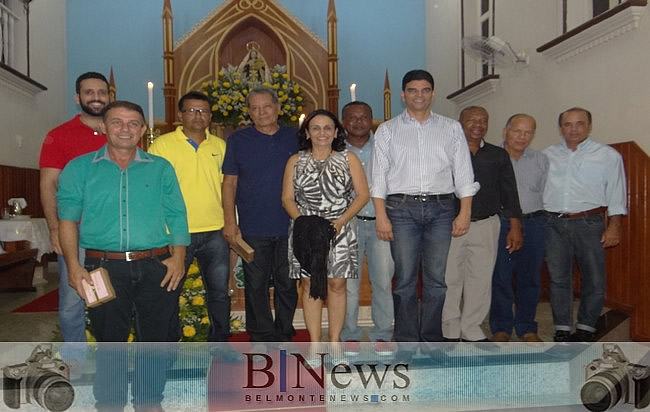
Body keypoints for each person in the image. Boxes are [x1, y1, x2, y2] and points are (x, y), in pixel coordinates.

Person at [57, 100, 189, 410]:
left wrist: (179, 256)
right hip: (101, 269)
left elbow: (177, 214)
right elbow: (67, 221)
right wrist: (74, 266)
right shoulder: (79, 169)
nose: (125, 129)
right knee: (109, 342)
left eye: (133, 123)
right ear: (103, 127)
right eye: (117, 122)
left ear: (143, 130)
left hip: (157, 265)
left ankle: (148, 401)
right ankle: (110, 402)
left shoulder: (161, 168)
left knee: (154, 341)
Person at [371, 70, 478, 357]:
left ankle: (432, 341)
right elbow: (378, 176)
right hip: (401, 209)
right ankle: (406, 341)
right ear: (403, 94)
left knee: (436, 280)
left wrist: (464, 211)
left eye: (425, 89)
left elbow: (464, 173)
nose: (419, 95)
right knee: (404, 279)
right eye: (413, 90)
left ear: (433, 93)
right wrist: (381, 215)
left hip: (442, 209)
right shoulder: (388, 130)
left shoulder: (451, 128)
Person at [282, 109, 369, 344]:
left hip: (339, 228)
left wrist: (340, 222)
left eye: (328, 128)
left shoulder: (348, 158)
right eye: (316, 128)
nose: (322, 133)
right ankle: (315, 343)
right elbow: (287, 198)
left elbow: (363, 195)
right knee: (310, 283)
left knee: (337, 284)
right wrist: (304, 223)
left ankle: (334, 341)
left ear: (336, 132)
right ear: (307, 133)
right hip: (305, 230)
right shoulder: (296, 161)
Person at [149, 91, 230, 343]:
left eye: (203, 111)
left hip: (215, 231)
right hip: (175, 233)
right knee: (170, 291)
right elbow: (153, 190)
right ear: (180, 115)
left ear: (210, 116)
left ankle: (219, 343)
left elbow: (227, 188)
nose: (198, 115)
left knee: (219, 292)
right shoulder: (162, 145)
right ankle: (169, 346)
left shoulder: (220, 146)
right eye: (192, 110)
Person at [39, 71, 109, 354]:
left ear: (109, 96)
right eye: (89, 92)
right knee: (73, 298)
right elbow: (48, 184)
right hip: (75, 231)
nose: (96, 98)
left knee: (110, 295)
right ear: (77, 97)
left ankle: (110, 355)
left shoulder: (120, 131)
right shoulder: (59, 136)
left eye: (101, 92)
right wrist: (54, 228)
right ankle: (76, 359)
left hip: (112, 230)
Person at [222, 87, 298, 343]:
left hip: (290, 225)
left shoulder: (296, 137)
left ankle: (284, 332)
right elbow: (229, 183)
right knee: (256, 285)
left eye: (266, 106)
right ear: (249, 112)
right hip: (253, 226)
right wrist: (230, 222)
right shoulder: (238, 141)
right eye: (254, 108)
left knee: (287, 284)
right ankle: (261, 336)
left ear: (278, 108)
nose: (261, 112)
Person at [544, 107, 626, 342]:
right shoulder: (547, 155)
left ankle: (586, 327)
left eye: (580, 123)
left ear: (589, 126)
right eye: (568, 124)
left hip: (590, 223)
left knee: (594, 278)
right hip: (553, 224)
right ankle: (562, 327)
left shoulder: (608, 155)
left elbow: (616, 192)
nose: (573, 129)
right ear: (561, 128)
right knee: (558, 278)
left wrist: (615, 225)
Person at [441, 106, 523, 342]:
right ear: (459, 123)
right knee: (450, 277)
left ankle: (472, 327)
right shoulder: (446, 152)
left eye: (483, 120)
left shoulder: (498, 155)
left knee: (481, 277)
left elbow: (509, 192)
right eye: (471, 120)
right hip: (451, 225)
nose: (478, 124)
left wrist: (515, 225)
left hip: (487, 224)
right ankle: (450, 327)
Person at [339, 101, 395, 356]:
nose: (358, 121)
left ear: (372, 119)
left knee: (382, 281)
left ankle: (382, 334)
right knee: (348, 285)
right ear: (343, 121)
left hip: (381, 222)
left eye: (364, 117)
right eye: (352, 117)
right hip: (346, 225)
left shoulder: (386, 146)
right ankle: (349, 334)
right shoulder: (335, 149)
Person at [490, 114, 548, 342]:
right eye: (517, 131)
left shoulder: (541, 160)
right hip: (501, 223)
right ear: (505, 131)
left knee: (530, 277)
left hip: (534, 223)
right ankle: (501, 327)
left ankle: (527, 327)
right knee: (500, 277)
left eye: (528, 132)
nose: (522, 137)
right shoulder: (492, 157)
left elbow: (545, 192)